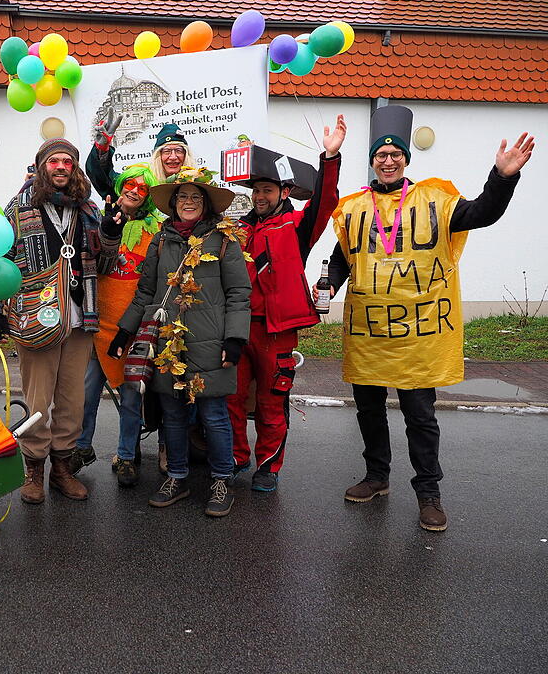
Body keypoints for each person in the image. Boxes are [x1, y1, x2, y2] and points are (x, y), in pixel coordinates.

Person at [321, 104, 535, 531]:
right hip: (369, 331)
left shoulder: (435, 198)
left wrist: (503, 177)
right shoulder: (353, 208)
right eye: (380, 155)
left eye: (395, 153)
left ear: (406, 159)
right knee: (368, 409)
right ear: (372, 161)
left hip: (418, 334)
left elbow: (481, 213)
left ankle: (429, 494)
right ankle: (377, 476)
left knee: (420, 415)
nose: (387, 160)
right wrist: (329, 284)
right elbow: (344, 256)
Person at [111, 168, 251, 517]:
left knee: (214, 414)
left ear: (206, 204)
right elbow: (146, 292)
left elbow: (238, 292)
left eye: (196, 197)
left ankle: (221, 479)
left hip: (209, 340)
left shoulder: (224, 240)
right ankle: (177, 476)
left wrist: (234, 338)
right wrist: (125, 331)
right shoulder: (161, 240)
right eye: (183, 197)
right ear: (173, 204)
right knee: (172, 415)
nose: (189, 203)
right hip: (166, 342)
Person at [225, 115, 346, 492]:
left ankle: (268, 468)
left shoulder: (298, 226)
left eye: (268, 190)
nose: (260, 196)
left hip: (277, 332)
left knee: (271, 405)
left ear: (284, 192)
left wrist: (329, 159)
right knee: (231, 398)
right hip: (237, 327)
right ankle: (235, 458)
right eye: (256, 190)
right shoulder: (236, 229)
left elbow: (325, 202)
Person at [0, 138, 101, 504]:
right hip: (35, 317)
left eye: (68, 161)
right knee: (38, 400)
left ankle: (62, 470)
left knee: (72, 399)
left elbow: (105, 260)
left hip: (82, 316)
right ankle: (33, 468)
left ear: (75, 167)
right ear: (41, 167)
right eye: (55, 161)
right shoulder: (17, 208)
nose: (62, 167)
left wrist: (111, 233)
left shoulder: (88, 209)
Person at [71, 161, 164, 486]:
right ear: (120, 186)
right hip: (99, 322)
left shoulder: (156, 231)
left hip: (135, 327)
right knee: (87, 391)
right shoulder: (98, 220)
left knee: (130, 396)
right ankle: (81, 448)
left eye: (142, 188)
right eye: (130, 185)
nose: (134, 191)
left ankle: (127, 456)